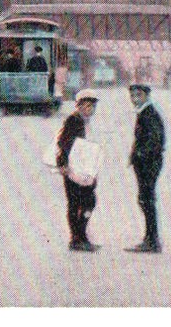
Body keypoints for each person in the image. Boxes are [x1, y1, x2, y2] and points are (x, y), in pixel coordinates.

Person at [58, 90, 101, 251]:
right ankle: (76, 238)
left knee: (88, 202)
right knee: (77, 203)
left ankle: (81, 236)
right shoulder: (73, 120)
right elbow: (63, 142)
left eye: (93, 106)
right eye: (87, 106)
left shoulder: (85, 121)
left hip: (85, 169)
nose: (91, 109)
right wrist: (63, 163)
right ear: (79, 106)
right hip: (73, 169)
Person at [127, 82, 165, 253]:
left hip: (148, 164)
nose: (135, 99)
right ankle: (150, 238)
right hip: (145, 163)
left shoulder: (149, 114)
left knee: (147, 200)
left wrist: (140, 155)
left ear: (146, 96)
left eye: (138, 95)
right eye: (132, 96)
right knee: (145, 199)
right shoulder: (145, 112)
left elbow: (155, 141)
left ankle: (152, 240)